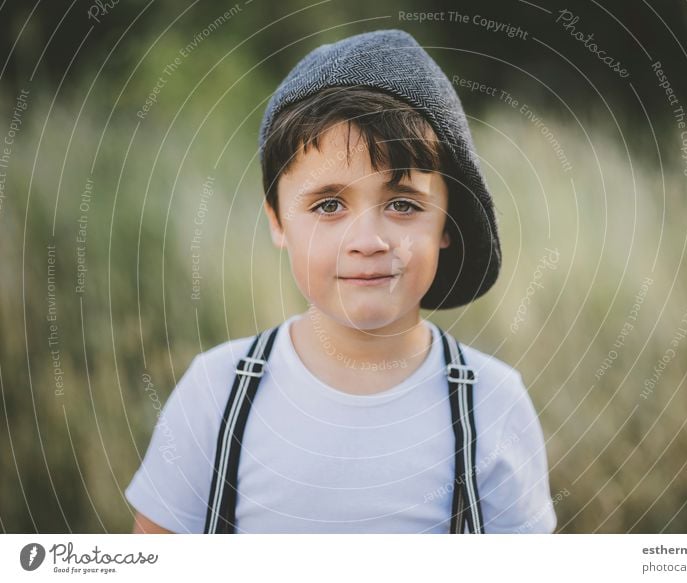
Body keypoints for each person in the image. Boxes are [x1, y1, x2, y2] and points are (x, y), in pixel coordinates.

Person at [126, 29, 557, 534]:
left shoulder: (491, 403)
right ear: (278, 221)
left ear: (447, 222)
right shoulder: (216, 394)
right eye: (328, 205)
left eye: (403, 204)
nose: (367, 240)